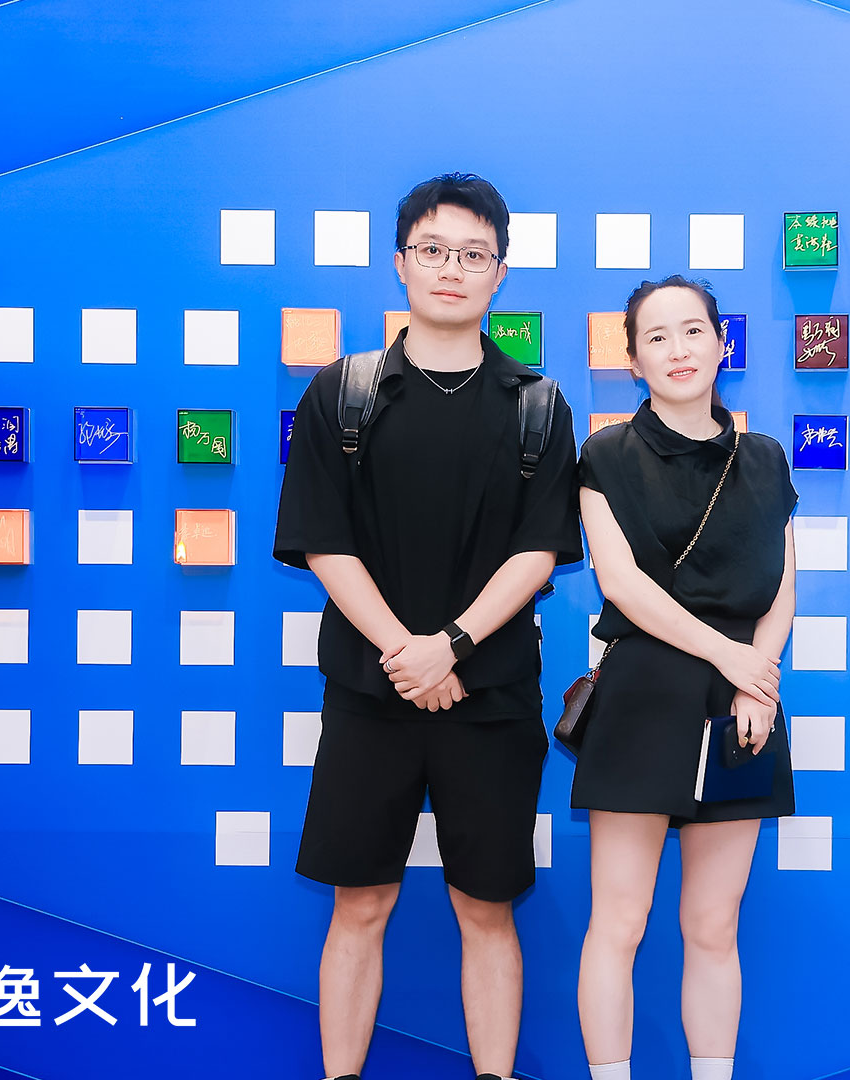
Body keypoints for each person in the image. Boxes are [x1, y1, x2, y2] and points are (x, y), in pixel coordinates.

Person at [274, 172, 582, 1080]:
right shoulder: (342, 393)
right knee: (359, 905)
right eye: (434, 251)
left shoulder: (537, 404)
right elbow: (323, 542)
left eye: (473, 254)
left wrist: (449, 647)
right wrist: (404, 654)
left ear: (500, 273)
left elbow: (539, 552)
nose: (452, 269)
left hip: (491, 698)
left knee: (486, 909)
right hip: (368, 694)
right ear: (401, 263)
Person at [572, 276, 799, 1080]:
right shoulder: (604, 455)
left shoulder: (765, 458)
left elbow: (782, 590)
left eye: (694, 331)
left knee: (712, 924)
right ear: (632, 360)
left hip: (742, 706)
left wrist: (753, 681)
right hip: (643, 694)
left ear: (722, 344)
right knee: (620, 921)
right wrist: (733, 659)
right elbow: (622, 585)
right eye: (657, 337)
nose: (678, 350)